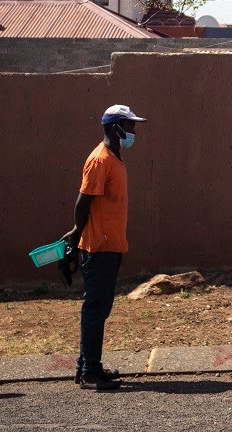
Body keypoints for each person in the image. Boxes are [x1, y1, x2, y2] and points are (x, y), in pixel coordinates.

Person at [61, 104, 146, 390]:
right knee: (95, 309)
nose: (134, 131)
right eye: (130, 126)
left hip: (111, 246)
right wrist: (77, 233)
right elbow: (82, 202)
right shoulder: (100, 160)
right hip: (98, 248)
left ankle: (87, 367)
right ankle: (90, 372)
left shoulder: (115, 157)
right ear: (115, 127)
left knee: (99, 309)